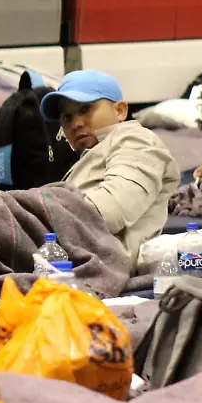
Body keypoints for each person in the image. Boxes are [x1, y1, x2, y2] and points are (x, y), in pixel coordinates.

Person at [39, 70, 180, 273]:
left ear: (120, 111)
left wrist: (39, 213)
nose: (75, 124)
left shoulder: (135, 140)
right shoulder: (92, 154)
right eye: (66, 117)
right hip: (72, 254)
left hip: (101, 262)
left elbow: (108, 211)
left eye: (85, 109)